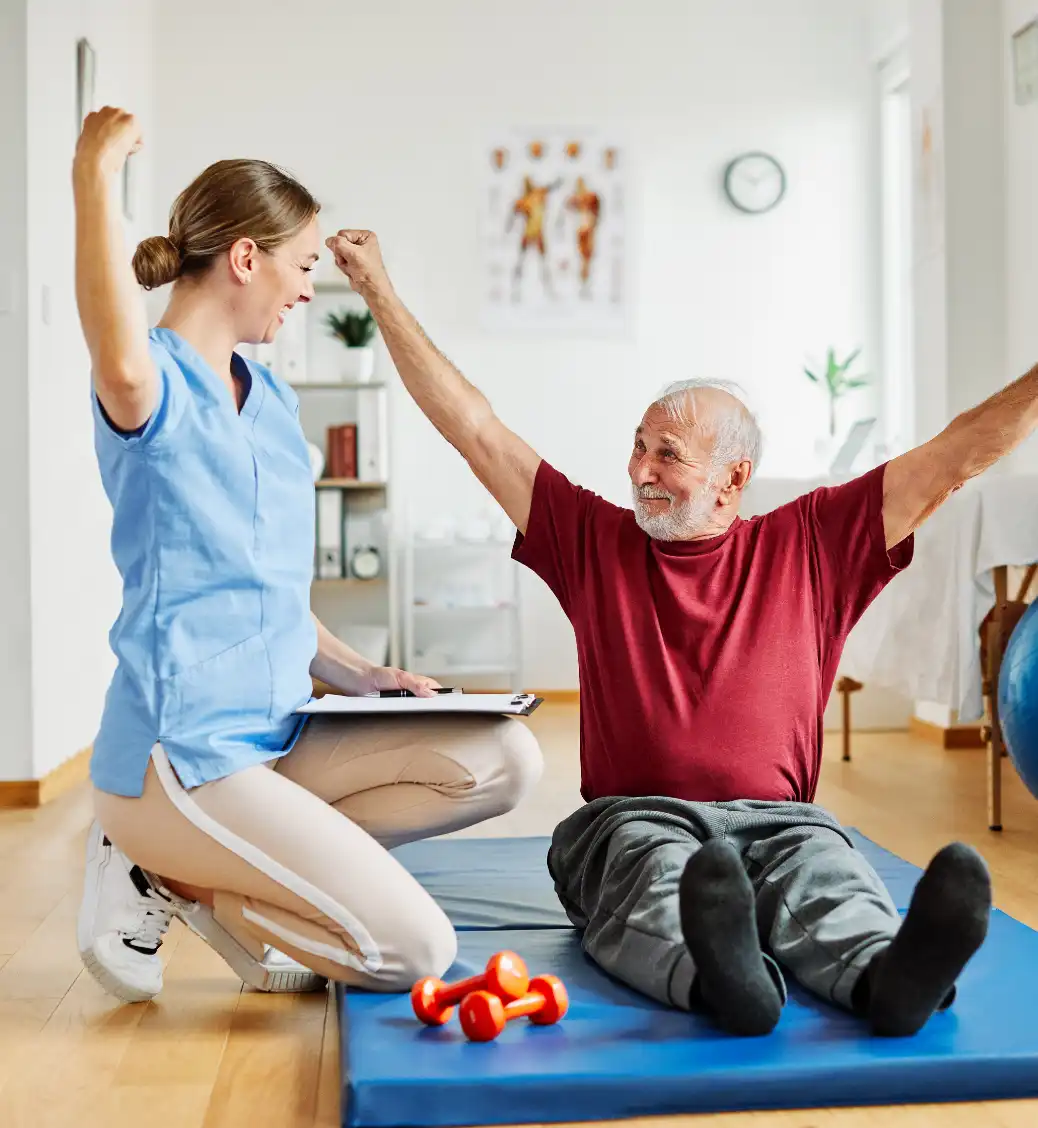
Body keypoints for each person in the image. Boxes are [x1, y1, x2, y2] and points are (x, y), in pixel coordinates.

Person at [321, 226, 1012, 1039]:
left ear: (733, 478)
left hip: (783, 821)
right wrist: (377, 290)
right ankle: (720, 980)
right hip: (632, 816)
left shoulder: (814, 543)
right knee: (653, 876)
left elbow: (957, 456)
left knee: (827, 876)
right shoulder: (590, 538)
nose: (640, 470)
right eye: (639, 447)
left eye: (668, 455)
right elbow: (473, 428)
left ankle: (884, 979)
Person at [73, 108, 542, 1005]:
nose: (307, 289)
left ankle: (211, 869)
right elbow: (117, 356)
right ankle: (173, 874)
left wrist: (366, 676)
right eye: (301, 265)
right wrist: (93, 174)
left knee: (504, 759)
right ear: (245, 258)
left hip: (279, 730)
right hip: (183, 753)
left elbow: (271, 592)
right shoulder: (154, 383)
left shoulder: (274, 400)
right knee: (414, 949)